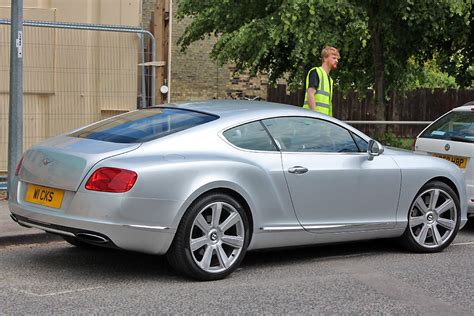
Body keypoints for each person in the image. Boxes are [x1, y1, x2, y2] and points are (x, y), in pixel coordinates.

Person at [303, 46, 339, 116]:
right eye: (334, 58)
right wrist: (317, 116)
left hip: (322, 120)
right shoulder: (316, 72)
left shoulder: (330, 80)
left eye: (337, 59)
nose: (336, 61)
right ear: (325, 58)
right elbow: (310, 94)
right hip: (312, 119)